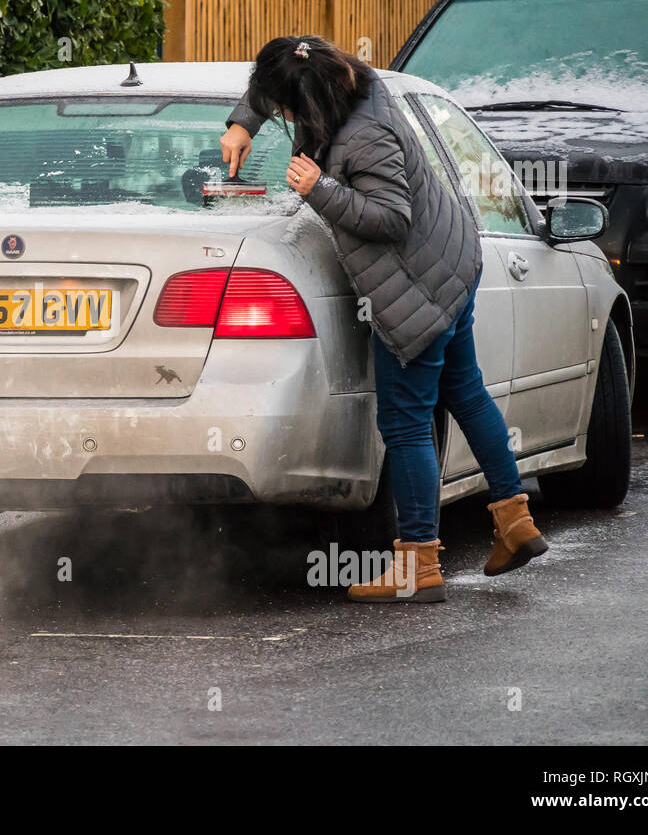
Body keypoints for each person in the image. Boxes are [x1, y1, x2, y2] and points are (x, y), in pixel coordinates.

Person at [221, 35, 548, 603]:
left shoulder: (365, 136)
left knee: (404, 422)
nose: (284, 118)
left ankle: (417, 565)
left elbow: (390, 218)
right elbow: (282, 68)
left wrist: (318, 189)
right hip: (450, 261)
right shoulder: (347, 77)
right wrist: (242, 123)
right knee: (466, 391)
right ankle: (515, 520)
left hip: (414, 287)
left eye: (284, 111)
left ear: (309, 99)